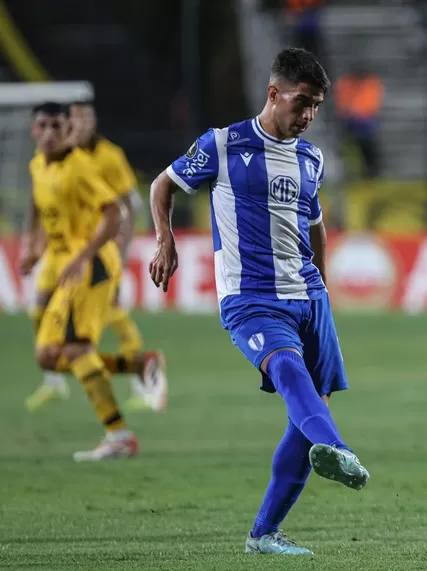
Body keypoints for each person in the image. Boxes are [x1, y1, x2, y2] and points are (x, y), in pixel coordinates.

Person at [148, 47, 369, 556]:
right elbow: (163, 185)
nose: (308, 116)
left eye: (316, 106)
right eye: (301, 103)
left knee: (305, 410)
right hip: (251, 299)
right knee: (289, 373)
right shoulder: (223, 145)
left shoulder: (310, 158)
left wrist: (323, 289)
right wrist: (166, 239)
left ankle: (264, 534)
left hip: (309, 297)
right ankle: (336, 448)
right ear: (273, 93)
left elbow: (316, 229)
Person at [24, 100, 168, 413]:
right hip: (57, 253)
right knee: (43, 326)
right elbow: (38, 201)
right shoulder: (43, 161)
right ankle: (61, 381)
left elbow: (126, 206)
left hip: (89, 254)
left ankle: (133, 394)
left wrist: (120, 249)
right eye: (73, 119)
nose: (78, 126)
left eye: (81, 120)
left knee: (104, 324)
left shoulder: (101, 159)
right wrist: (31, 245)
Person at [19, 102, 138, 461]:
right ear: (33, 131)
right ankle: (139, 365)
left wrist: (84, 256)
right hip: (67, 263)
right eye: (44, 125)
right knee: (47, 356)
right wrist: (33, 246)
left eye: (58, 126)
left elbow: (114, 212)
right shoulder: (38, 165)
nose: (51, 133)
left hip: (91, 264)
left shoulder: (80, 166)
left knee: (75, 350)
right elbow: (37, 207)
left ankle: (118, 434)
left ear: (67, 130)